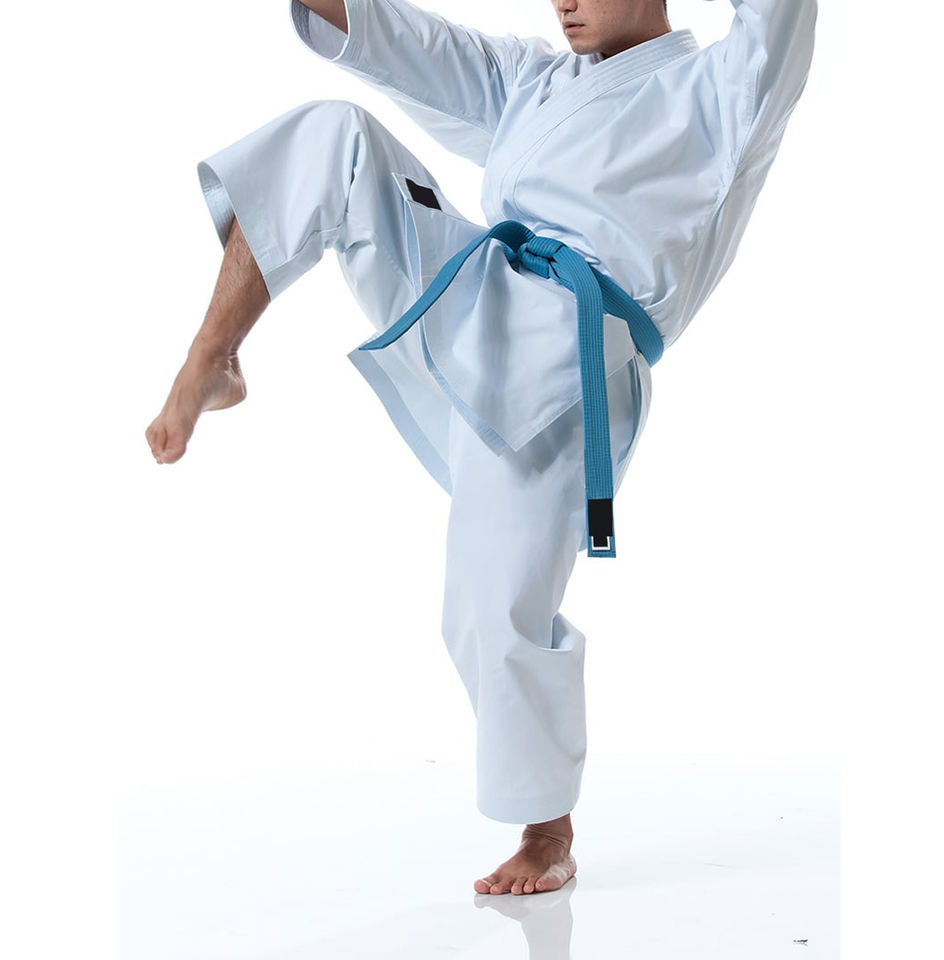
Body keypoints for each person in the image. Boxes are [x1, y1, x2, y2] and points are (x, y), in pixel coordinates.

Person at [145, 0, 817, 895]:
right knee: (334, 139)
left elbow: (780, 15)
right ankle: (214, 356)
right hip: (473, 295)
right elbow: (400, 40)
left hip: (568, 370)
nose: (563, 2)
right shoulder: (534, 79)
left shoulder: (728, 89)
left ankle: (547, 833)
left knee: (487, 611)